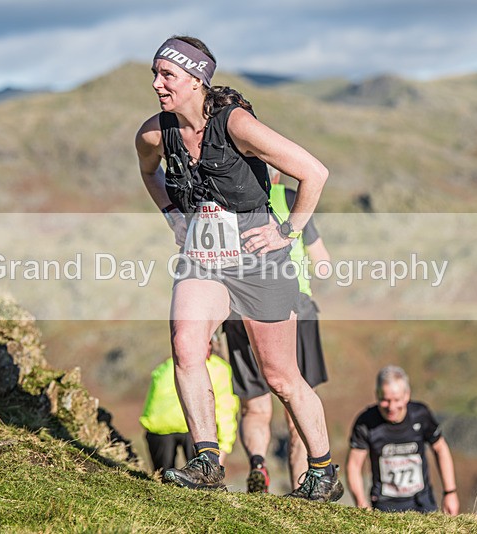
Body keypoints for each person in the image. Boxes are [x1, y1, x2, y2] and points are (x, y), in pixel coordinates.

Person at [135, 35, 343, 501]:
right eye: (155, 74)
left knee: (280, 377)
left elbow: (314, 172)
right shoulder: (154, 134)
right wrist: (172, 214)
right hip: (203, 258)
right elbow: (149, 171)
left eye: (167, 75)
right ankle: (208, 461)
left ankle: (323, 471)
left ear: (196, 79)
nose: (157, 84)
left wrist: (287, 231)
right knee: (186, 348)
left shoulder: (236, 124)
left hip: (258, 261)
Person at [222, 165, 331, 493]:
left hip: (238, 309)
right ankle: (306, 485)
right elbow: (322, 263)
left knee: (255, 405)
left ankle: (258, 465)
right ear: (277, 176)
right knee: (298, 397)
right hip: (294, 306)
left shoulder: (227, 200)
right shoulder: (290, 199)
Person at [346, 366, 460, 515]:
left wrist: (450, 492)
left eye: (397, 400)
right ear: (376, 395)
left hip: (422, 503)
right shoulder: (365, 423)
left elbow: (440, 448)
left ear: (407, 395)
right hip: (384, 507)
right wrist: (361, 504)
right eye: (385, 400)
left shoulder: (421, 415)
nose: (391, 407)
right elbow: (354, 465)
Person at [139, 334, 239, 472]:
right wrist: (224, 446)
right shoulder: (218, 368)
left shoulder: (169, 365)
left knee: (162, 475)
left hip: (158, 427)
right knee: (202, 476)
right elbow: (225, 408)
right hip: (193, 426)